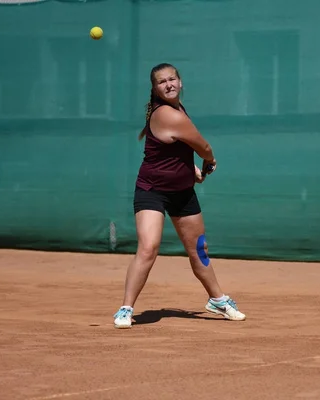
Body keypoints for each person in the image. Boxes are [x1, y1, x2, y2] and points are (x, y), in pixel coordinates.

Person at [113, 62, 246, 329]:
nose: (168, 84)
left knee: (200, 250)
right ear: (155, 88)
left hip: (183, 193)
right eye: (162, 82)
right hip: (152, 191)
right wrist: (209, 161)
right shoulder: (166, 114)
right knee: (149, 248)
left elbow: (176, 149)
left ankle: (217, 300)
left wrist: (192, 170)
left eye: (172, 79)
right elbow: (204, 146)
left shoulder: (178, 110)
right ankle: (126, 308)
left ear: (180, 82)